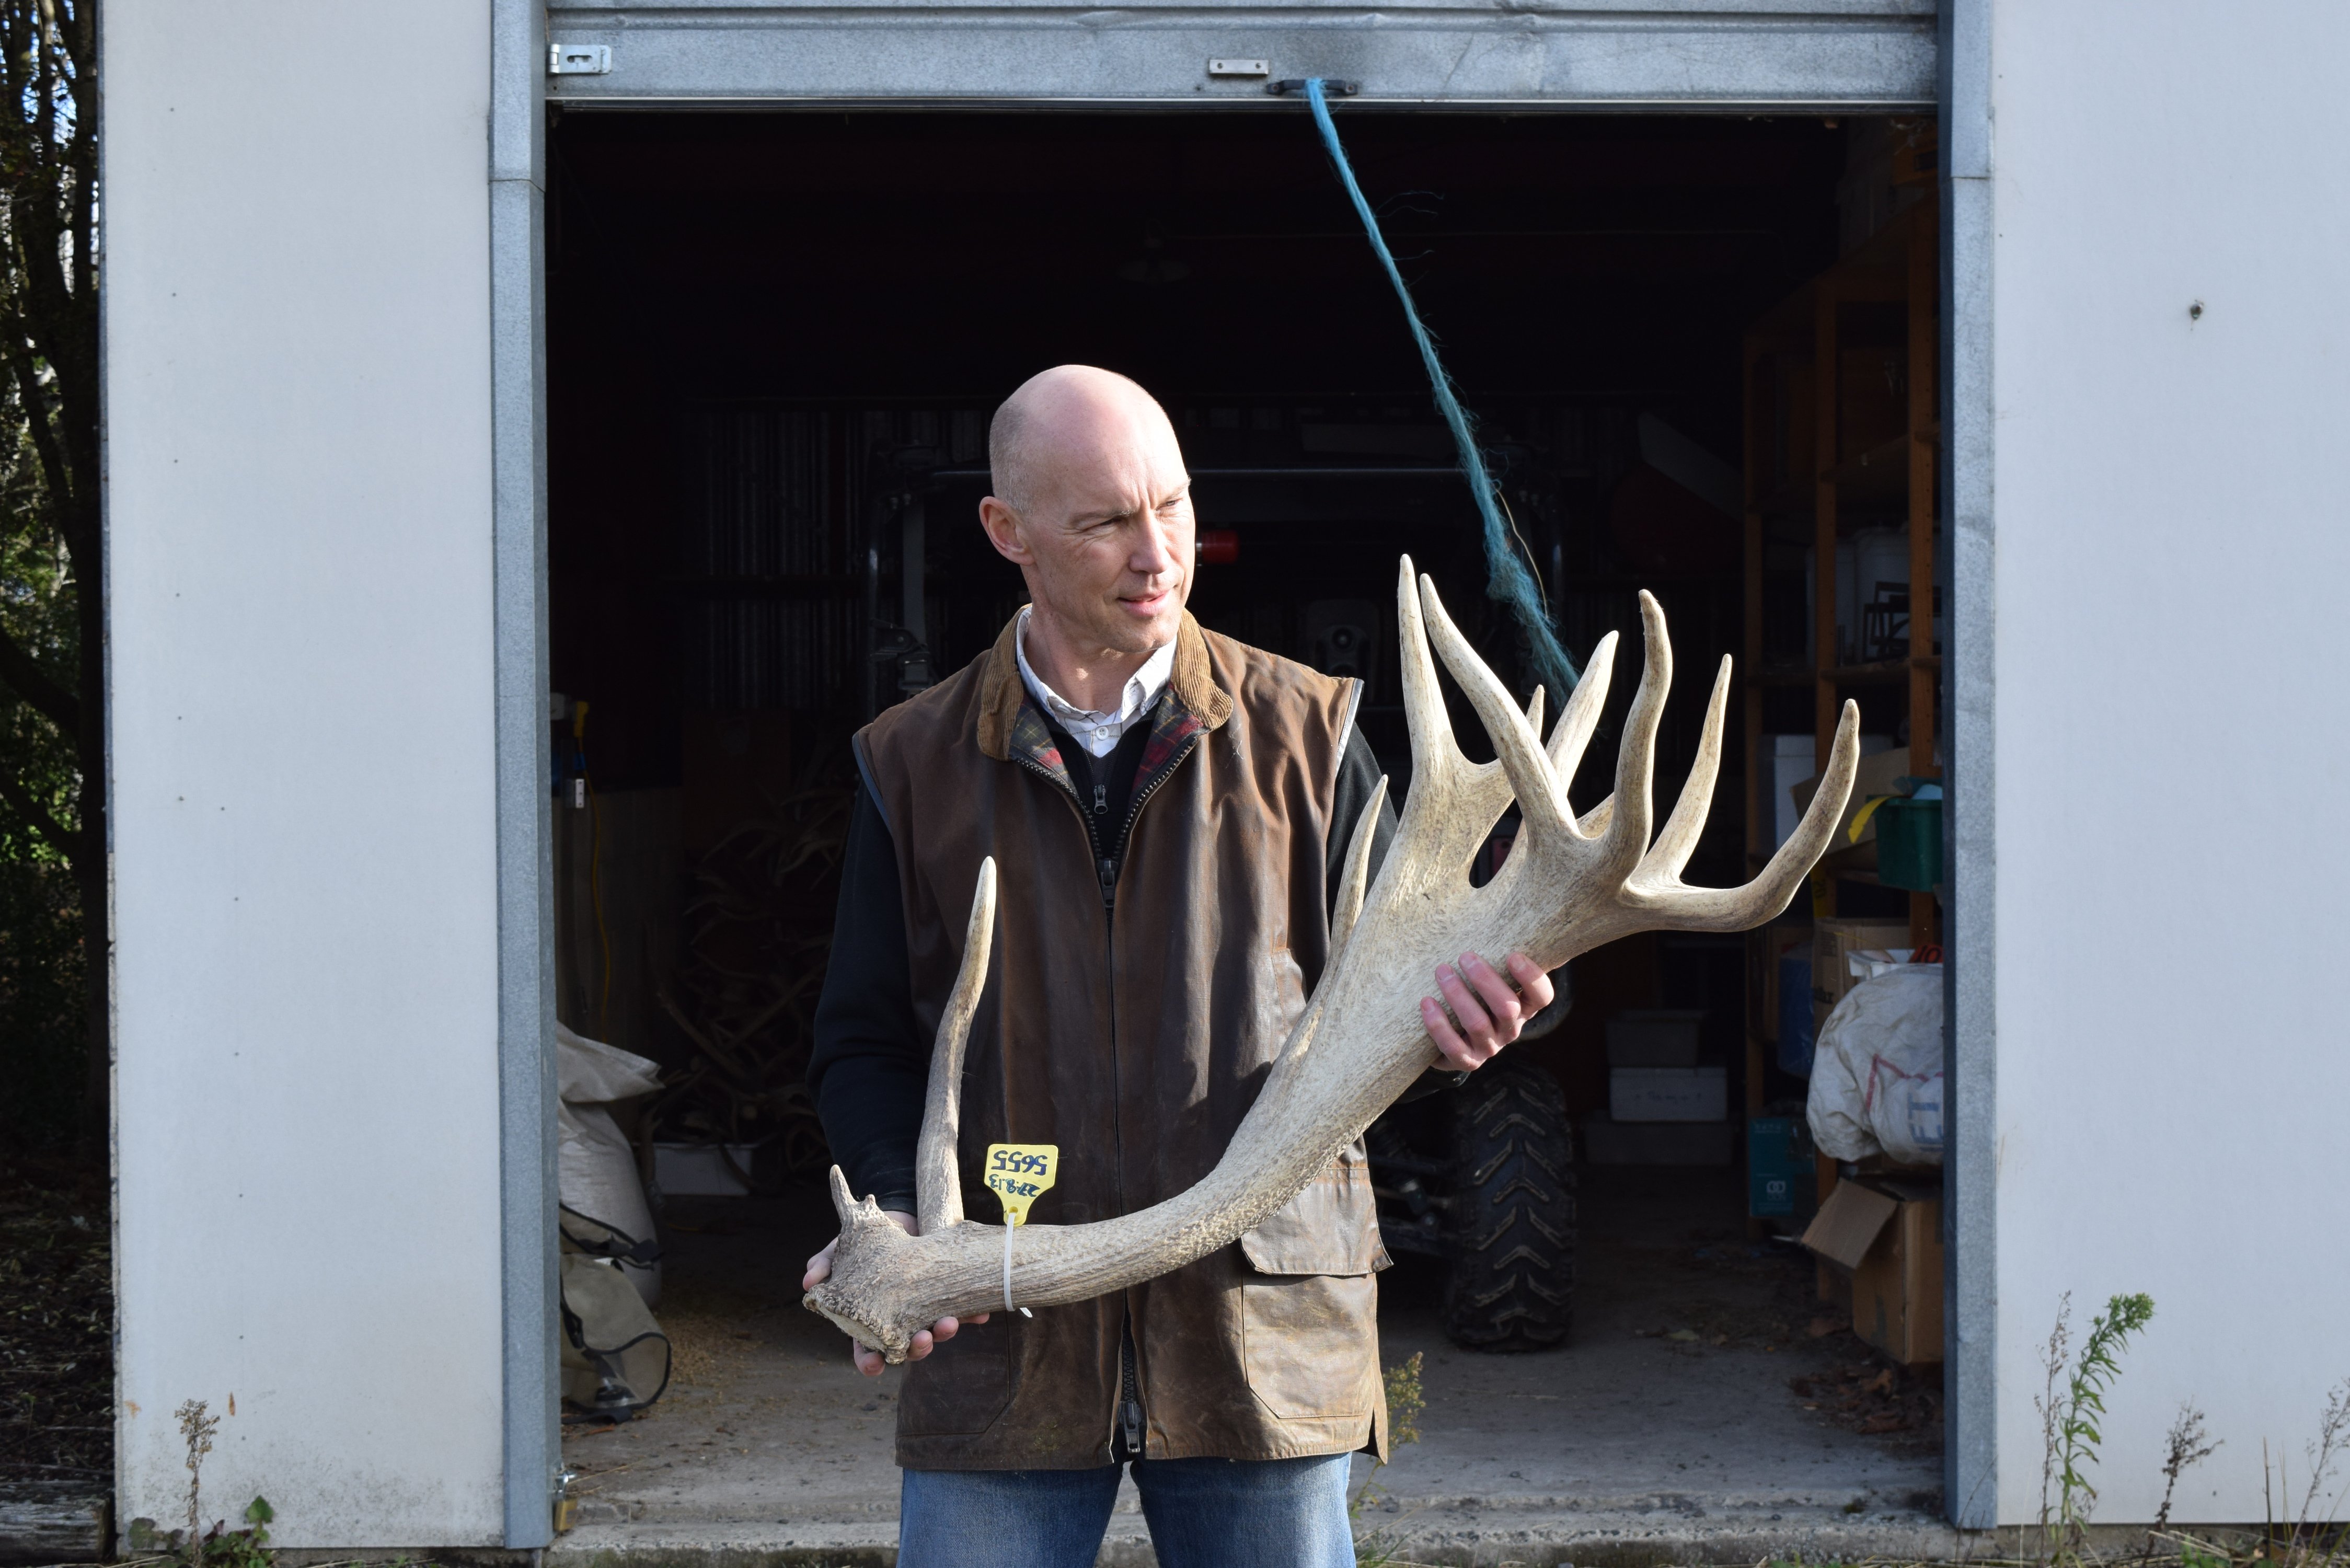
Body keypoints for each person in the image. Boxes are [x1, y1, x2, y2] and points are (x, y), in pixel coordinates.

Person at [802, 364, 1553, 1568]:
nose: (1157, 554)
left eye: (1172, 507)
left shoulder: (1309, 735)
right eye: (1102, 522)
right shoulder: (911, 763)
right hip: (1003, 1341)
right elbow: (863, 1043)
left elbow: (1389, 1007)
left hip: (1258, 1340)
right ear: (1009, 533)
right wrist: (893, 1206)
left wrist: (1463, 1024)